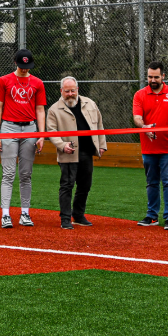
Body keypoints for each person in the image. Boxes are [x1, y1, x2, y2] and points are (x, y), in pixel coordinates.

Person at [132, 61, 168, 231]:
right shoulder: (139, 95)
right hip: (148, 148)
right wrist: (144, 127)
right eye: (150, 77)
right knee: (151, 182)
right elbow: (137, 117)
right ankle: (151, 216)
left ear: (163, 76)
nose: (153, 80)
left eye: (156, 77)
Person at [0, 49, 47, 229]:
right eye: (21, 66)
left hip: (30, 128)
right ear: (15, 63)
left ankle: (25, 212)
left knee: (26, 174)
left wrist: (41, 134)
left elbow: (40, 110)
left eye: (28, 66)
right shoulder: (4, 80)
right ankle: (5, 214)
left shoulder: (37, 83)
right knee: (8, 173)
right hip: (9, 128)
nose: (24, 70)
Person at [47, 77, 107, 230]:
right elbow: (51, 132)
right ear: (61, 91)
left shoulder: (90, 104)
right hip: (68, 153)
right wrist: (62, 145)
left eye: (73, 90)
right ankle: (65, 218)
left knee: (85, 185)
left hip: (87, 151)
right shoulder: (54, 109)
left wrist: (101, 145)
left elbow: (99, 125)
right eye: (66, 91)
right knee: (67, 185)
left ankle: (78, 215)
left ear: (77, 89)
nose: (70, 94)